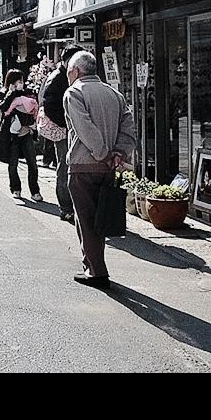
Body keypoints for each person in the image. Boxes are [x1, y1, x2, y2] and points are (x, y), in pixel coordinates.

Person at [63, 51, 137, 288]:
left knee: (85, 218)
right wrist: (119, 153)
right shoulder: (114, 94)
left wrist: (103, 152)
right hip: (108, 167)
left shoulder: (74, 92)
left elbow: (84, 128)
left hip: (83, 165)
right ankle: (94, 265)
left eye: (68, 72)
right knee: (99, 218)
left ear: (75, 71)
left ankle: (96, 270)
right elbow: (129, 127)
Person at [0, 69, 42, 201]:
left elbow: (32, 105)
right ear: (12, 81)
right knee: (13, 163)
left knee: (32, 163)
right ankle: (15, 188)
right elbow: (3, 108)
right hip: (11, 135)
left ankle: (35, 191)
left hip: (26, 132)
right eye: (19, 80)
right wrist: (11, 92)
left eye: (22, 80)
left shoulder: (25, 93)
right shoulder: (3, 93)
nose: (21, 83)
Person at [41, 47, 77, 224]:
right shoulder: (57, 78)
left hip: (71, 129)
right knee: (64, 167)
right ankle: (66, 209)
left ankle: (72, 207)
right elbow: (49, 106)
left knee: (69, 166)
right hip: (63, 131)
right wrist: (66, 123)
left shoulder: (67, 76)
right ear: (67, 61)